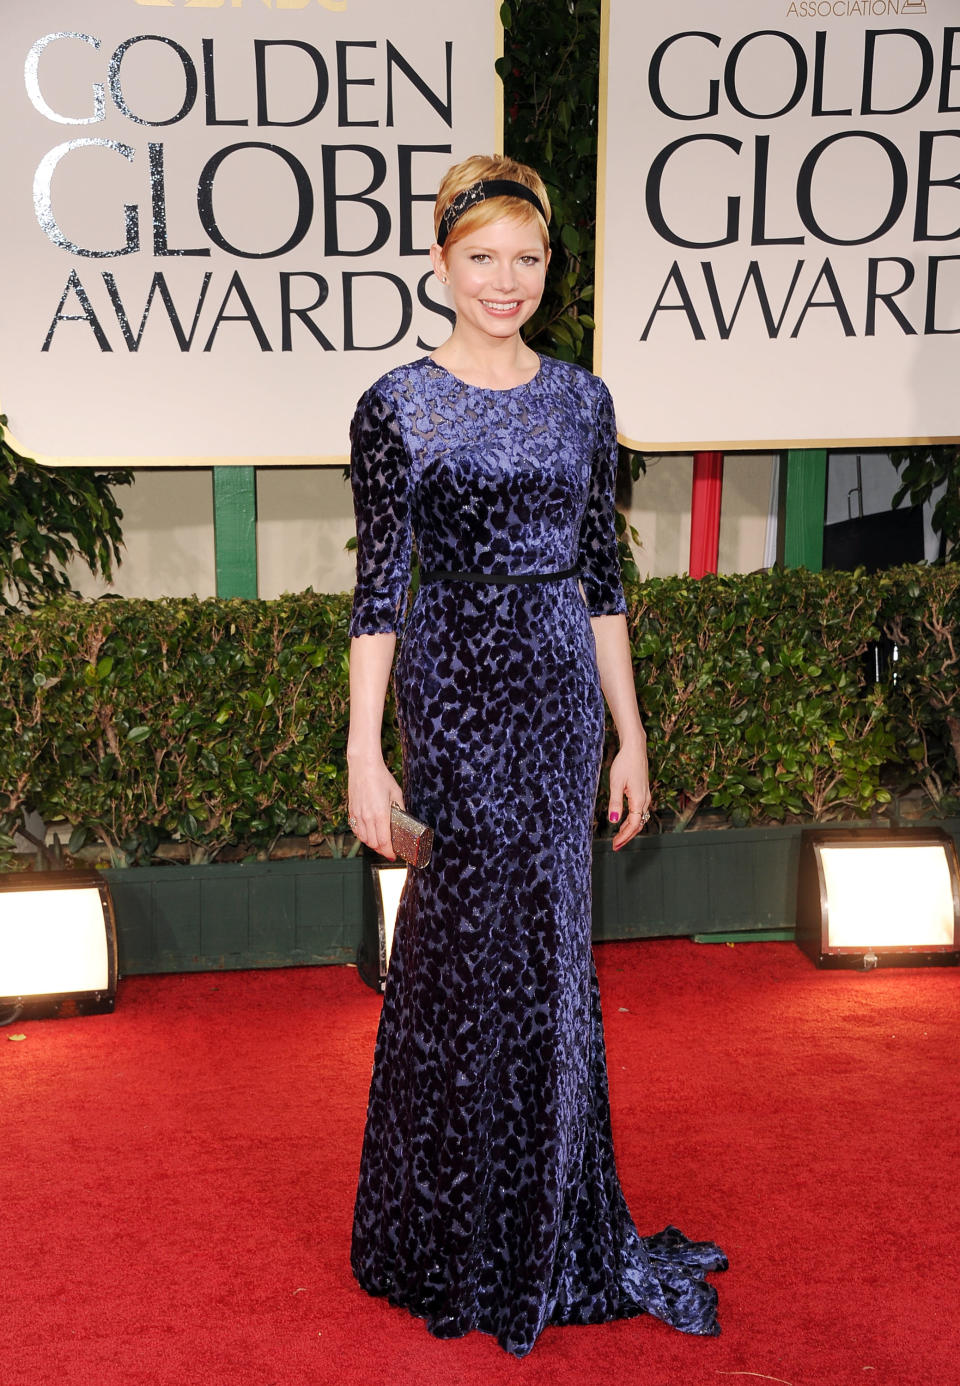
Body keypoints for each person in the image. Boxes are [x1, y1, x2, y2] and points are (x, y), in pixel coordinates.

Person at [345, 153, 726, 1358]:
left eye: (529, 259)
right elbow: (375, 597)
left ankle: (552, 1224)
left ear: (548, 268)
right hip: (455, 691)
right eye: (481, 259)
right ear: (440, 263)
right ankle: (448, 1233)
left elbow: (605, 581)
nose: (506, 281)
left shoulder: (583, 401)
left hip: (560, 689)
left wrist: (632, 729)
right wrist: (366, 752)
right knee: (465, 955)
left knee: (553, 956)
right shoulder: (396, 406)